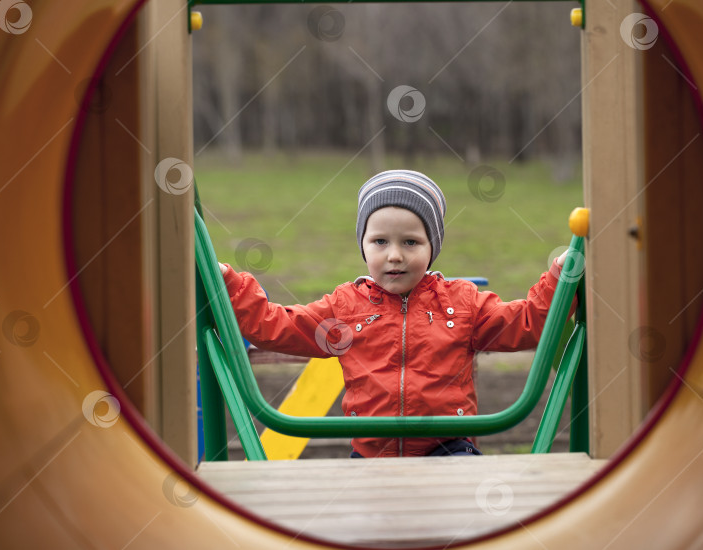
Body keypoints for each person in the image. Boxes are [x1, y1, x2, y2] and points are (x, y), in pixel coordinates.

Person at [219, 169, 573, 458]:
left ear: (432, 246)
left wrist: (562, 278)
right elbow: (278, 326)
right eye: (380, 242)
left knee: (458, 507)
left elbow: (527, 323)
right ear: (363, 244)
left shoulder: (461, 303)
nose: (394, 255)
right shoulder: (346, 308)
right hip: (373, 452)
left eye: (410, 242)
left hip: (447, 448)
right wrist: (229, 285)